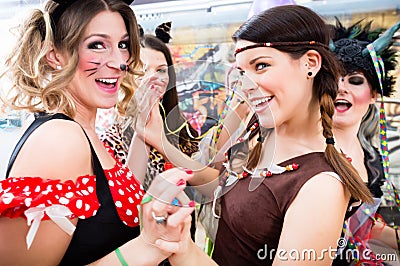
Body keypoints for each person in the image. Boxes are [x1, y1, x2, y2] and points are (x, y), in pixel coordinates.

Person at [133, 5, 374, 265]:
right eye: (241, 72)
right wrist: (159, 140)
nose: (246, 85)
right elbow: (229, 191)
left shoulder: (322, 187)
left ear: (310, 63)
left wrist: (183, 248)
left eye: (261, 66)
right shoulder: (261, 137)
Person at [0, 0, 194, 265]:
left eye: (123, 45)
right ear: (55, 55)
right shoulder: (61, 139)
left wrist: (142, 134)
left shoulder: (85, 132)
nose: (119, 62)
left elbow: (114, 201)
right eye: (97, 45)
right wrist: (149, 245)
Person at [330, 19, 400, 264]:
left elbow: (363, 227)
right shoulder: (310, 152)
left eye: (355, 81)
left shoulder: (371, 158)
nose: (342, 88)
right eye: (334, 78)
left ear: (374, 94)